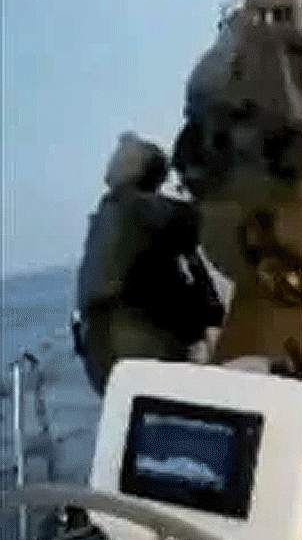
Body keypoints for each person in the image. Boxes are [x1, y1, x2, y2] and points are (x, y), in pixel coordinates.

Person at [74, 133, 226, 395]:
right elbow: (203, 221)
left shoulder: (108, 215)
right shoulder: (137, 209)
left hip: (104, 356)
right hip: (137, 350)